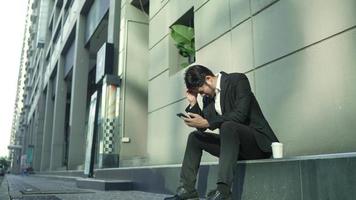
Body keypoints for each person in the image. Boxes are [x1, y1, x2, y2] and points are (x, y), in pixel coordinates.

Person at [164, 65, 279, 200]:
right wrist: (194, 103)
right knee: (195, 137)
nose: (202, 95)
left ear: (208, 79)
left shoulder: (238, 80)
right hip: (233, 147)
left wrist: (208, 122)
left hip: (257, 145)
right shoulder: (209, 98)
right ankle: (187, 189)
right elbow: (203, 126)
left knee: (228, 126)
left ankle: (223, 191)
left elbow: (240, 115)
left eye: (201, 92)